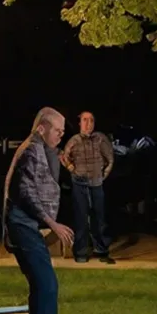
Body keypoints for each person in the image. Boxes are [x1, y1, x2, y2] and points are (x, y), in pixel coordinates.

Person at [2, 107, 74, 314]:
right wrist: (52, 223)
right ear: (42, 128)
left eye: (63, 131)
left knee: (43, 285)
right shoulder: (31, 150)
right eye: (57, 130)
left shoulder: (39, 149)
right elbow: (25, 193)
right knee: (47, 285)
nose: (61, 135)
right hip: (21, 225)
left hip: (26, 225)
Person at [61, 111, 115, 264]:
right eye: (85, 120)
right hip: (79, 184)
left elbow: (110, 159)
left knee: (99, 217)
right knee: (81, 218)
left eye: (91, 120)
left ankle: (101, 249)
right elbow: (64, 157)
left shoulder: (101, 139)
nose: (88, 123)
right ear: (80, 123)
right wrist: (71, 168)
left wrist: (103, 175)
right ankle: (81, 252)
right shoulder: (74, 141)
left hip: (97, 184)